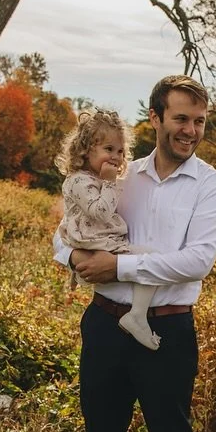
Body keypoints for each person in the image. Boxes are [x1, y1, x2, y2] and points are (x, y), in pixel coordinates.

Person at [52, 75, 216, 432]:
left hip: (167, 333)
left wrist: (119, 267)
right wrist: (77, 260)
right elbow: (62, 233)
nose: (190, 130)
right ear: (154, 119)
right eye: (180, 119)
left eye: (198, 121)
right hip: (105, 326)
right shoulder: (117, 172)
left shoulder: (212, 187)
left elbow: (196, 262)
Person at [55, 108, 161, 350]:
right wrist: (110, 183)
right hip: (97, 242)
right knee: (150, 259)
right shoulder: (79, 181)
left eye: (120, 151)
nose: (116, 156)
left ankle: (134, 313)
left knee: (147, 259)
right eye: (108, 149)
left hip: (98, 241)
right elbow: (100, 212)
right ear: (86, 149)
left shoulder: (94, 179)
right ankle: (137, 316)